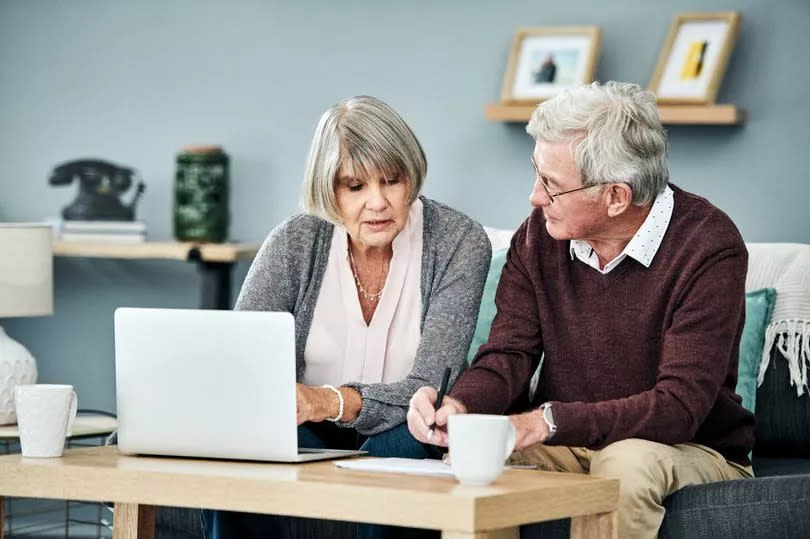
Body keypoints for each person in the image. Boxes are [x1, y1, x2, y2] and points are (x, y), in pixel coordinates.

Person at [407, 81, 755, 539]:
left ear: (616, 196)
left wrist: (545, 421)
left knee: (623, 464)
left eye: (551, 184)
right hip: (571, 441)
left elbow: (678, 408)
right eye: (537, 174)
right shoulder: (538, 237)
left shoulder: (708, 246)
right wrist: (461, 404)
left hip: (688, 447)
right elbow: (508, 353)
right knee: (478, 459)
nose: (534, 197)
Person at [204, 95, 490, 538]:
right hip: (309, 433)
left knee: (399, 449)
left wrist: (328, 401)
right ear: (328, 189)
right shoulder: (296, 241)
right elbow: (242, 364)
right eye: (355, 187)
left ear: (412, 176)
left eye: (392, 181)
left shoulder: (459, 242)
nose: (377, 202)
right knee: (245, 446)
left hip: (405, 429)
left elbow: (431, 385)